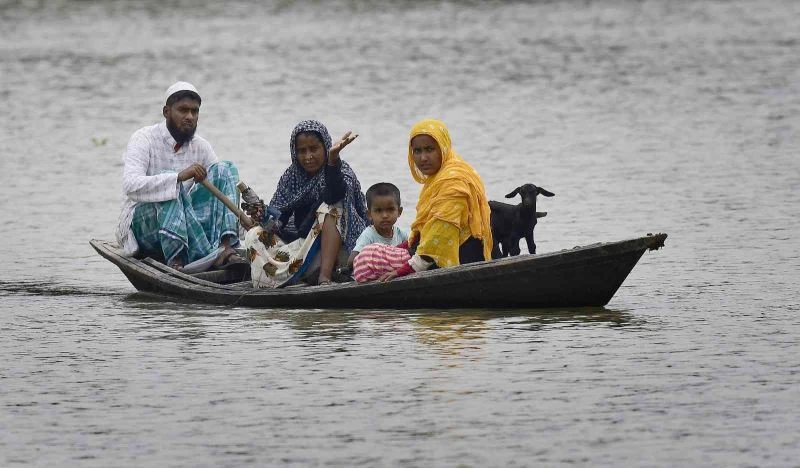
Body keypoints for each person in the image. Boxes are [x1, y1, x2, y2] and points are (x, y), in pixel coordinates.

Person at [115, 81, 244, 270]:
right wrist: (177, 177)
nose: (189, 117)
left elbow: (222, 192)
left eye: (195, 111)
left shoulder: (201, 146)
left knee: (226, 169)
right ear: (166, 112)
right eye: (183, 110)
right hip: (142, 226)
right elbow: (130, 186)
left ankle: (225, 247)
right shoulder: (143, 138)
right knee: (171, 188)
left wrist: (251, 222)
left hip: (184, 222)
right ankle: (177, 260)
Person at [359, 119, 493, 282]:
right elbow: (427, 234)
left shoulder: (453, 181)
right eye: (417, 151)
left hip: (460, 258)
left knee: (368, 257)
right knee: (370, 254)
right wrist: (400, 249)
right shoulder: (439, 177)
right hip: (437, 253)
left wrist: (403, 270)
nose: (423, 158)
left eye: (430, 149)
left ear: (443, 148)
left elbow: (438, 240)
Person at [246, 120, 368, 286]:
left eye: (314, 149)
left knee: (330, 209)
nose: (308, 157)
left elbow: (335, 195)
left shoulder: (342, 171)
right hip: (304, 247)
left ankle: (324, 277)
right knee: (254, 233)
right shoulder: (291, 176)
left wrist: (332, 160)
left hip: (341, 250)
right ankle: (275, 279)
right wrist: (262, 215)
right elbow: (279, 217)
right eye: (302, 151)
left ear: (325, 147)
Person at [349, 183, 409, 282]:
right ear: (369, 214)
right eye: (378, 211)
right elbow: (352, 261)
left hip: (394, 276)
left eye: (390, 209)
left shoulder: (401, 234)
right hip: (372, 279)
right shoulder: (368, 235)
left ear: (399, 211)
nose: (385, 215)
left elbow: (410, 253)